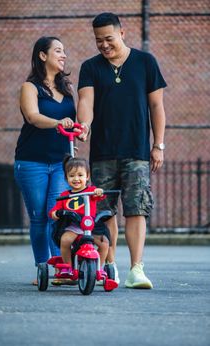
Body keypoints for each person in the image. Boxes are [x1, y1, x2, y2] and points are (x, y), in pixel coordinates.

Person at [77, 12, 167, 288]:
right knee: (103, 212)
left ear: (122, 33)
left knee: (136, 208)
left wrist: (158, 145)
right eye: (98, 40)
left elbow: (156, 106)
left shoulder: (145, 62)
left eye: (108, 38)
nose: (103, 45)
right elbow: (86, 100)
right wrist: (84, 125)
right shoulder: (90, 67)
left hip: (137, 151)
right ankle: (109, 264)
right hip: (102, 152)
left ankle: (136, 269)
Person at [14, 36, 76, 285]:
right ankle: (42, 268)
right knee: (39, 216)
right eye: (58, 51)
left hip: (62, 163)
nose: (63, 55)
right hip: (32, 161)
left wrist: (81, 129)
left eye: (64, 51)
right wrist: (58, 124)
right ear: (42, 55)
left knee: (57, 215)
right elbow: (32, 116)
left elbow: (75, 121)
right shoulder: (30, 87)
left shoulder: (67, 89)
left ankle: (61, 269)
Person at [48, 155, 110, 275]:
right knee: (65, 240)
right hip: (74, 225)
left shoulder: (91, 191)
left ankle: (99, 269)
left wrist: (99, 192)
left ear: (87, 176)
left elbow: (101, 196)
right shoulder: (64, 195)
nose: (76, 179)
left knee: (104, 243)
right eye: (72, 176)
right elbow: (54, 210)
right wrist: (54, 213)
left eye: (80, 175)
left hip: (90, 225)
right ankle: (68, 267)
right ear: (66, 178)